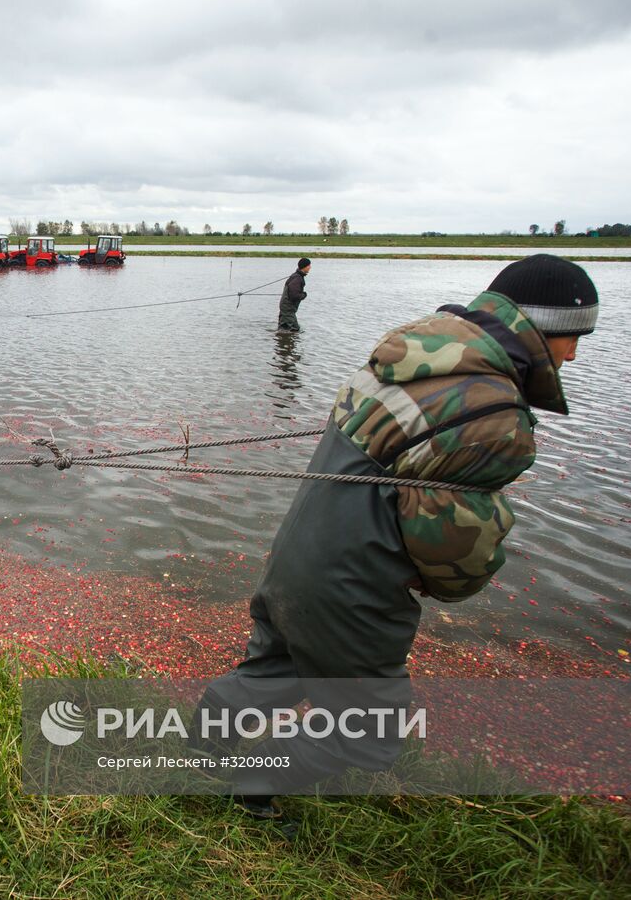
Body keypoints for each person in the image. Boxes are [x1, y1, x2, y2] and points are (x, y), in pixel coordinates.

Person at [199, 254, 599, 817]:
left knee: (275, 668)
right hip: (355, 583)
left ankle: (196, 751)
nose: (574, 354)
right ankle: (251, 787)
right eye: (571, 337)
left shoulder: (414, 352)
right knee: (371, 729)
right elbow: (453, 551)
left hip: (296, 553)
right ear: (540, 330)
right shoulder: (497, 414)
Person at [277, 258, 311, 331]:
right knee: (294, 330)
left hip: (286, 308)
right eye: (309, 265)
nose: (310, 267)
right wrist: (304, 295)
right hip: (288, 309)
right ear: (304, 266)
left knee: (285, 329)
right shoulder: (297, 278)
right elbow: (294, 296)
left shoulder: (297, 276)